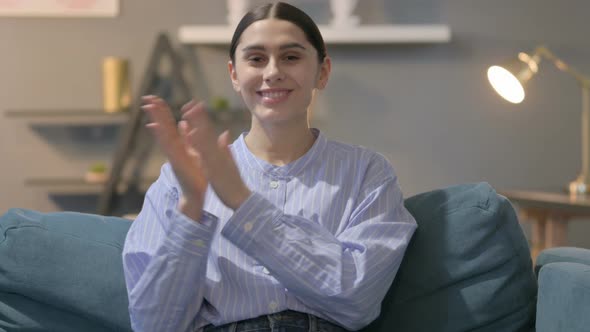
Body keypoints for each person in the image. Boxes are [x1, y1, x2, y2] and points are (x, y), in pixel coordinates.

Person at [122, 2, 417, 331]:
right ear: (234, 74)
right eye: (256, 58)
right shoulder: (181, 180)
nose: (273, 71)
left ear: (322, 71)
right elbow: (154, 325)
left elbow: (356, 297)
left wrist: (242, 204)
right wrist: (192, 209)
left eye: (291, 57)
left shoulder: (367, 173)